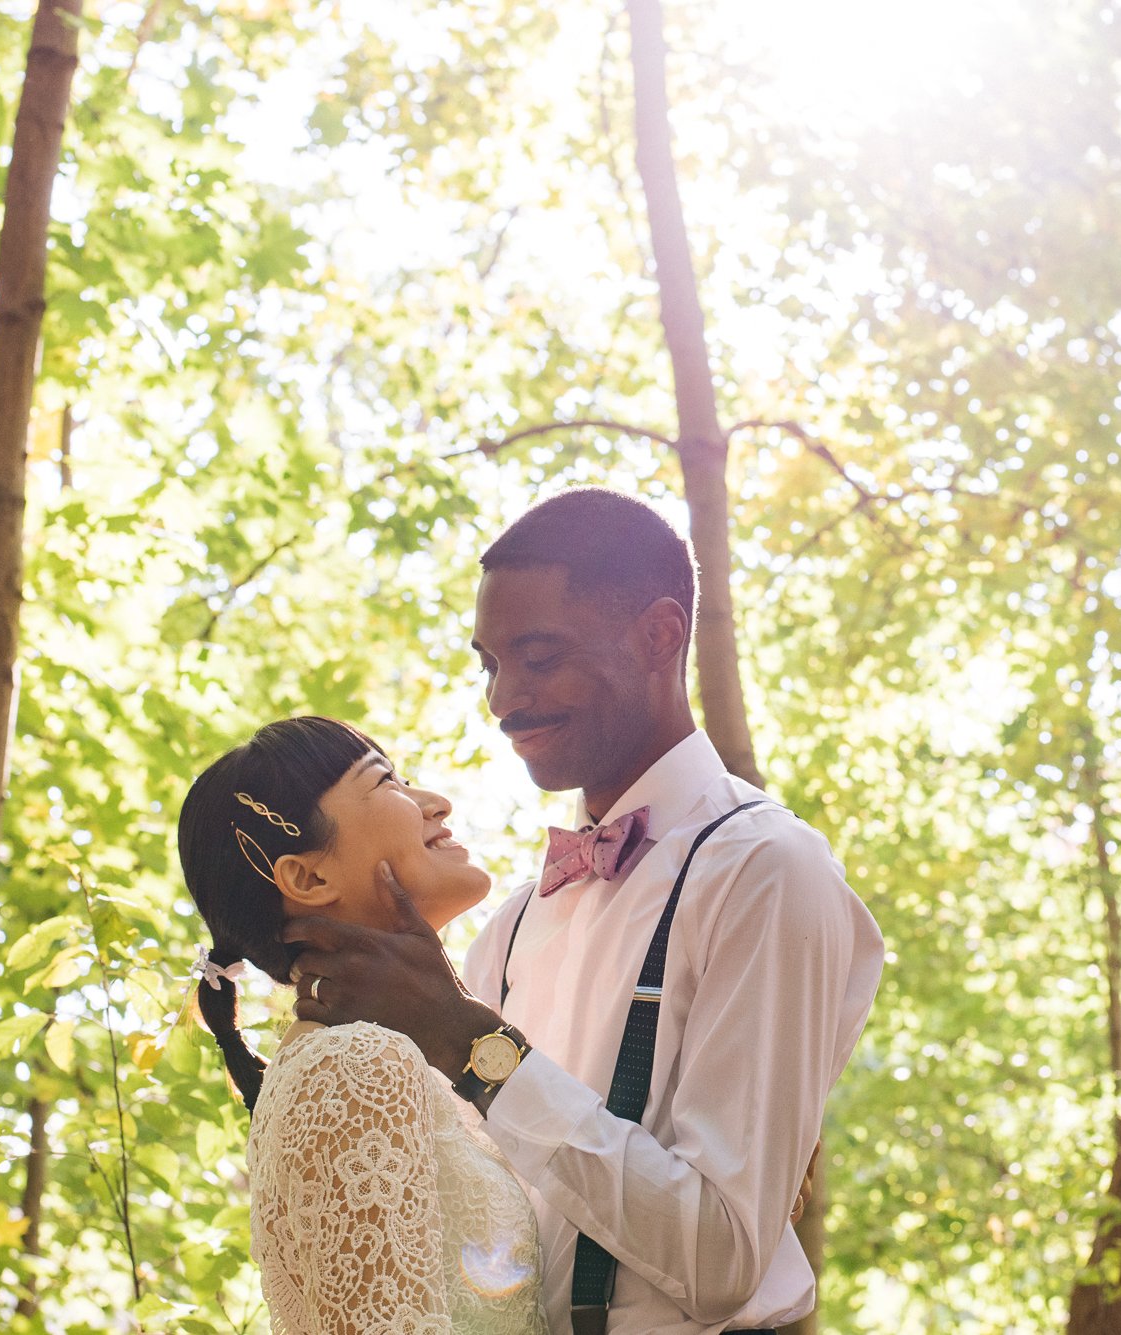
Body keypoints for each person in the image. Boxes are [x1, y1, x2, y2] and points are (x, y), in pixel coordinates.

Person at [288, 488, 885, 1335]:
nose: (504, 698)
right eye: (490, 663)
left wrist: (473, 1045)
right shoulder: (515, 922)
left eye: (538, 656)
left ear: (659, 635)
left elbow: (719, 1258)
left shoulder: (764, 871)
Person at [179, 715, 549, 1334]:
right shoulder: (353, 1066)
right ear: (308, 877)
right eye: (388, 784)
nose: (436, 802)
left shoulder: (363, 1062)